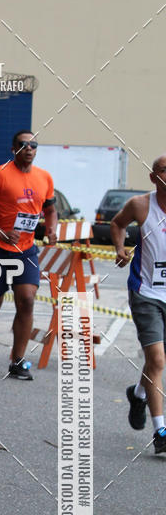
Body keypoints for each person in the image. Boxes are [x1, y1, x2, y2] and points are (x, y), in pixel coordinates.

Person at [0, 130, 57, 380]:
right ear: (13, 149)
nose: (29, 148)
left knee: (26, 299)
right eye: (23, 144)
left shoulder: (44, 177)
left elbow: (51, 209)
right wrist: (1, 232)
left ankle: (17, 361)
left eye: (33, 144)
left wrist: (52, 229)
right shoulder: (0, 175)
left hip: (25, 250)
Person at [111, 155, 166, 454]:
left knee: (158, 359)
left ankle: (138, 393)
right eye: (165, 170)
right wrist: (120, 248)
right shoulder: (140, 205)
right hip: (146, 292)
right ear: (153, 177)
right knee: (157, 360)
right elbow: (117, 224)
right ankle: (161, 430)